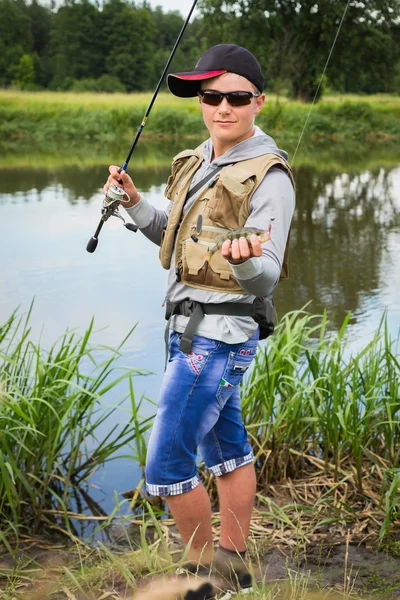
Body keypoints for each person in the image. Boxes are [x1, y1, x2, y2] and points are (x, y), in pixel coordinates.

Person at [104, 44, 295, 593]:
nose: (223, 108)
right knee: (227, 451)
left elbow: (267, 275)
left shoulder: (270, 176)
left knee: (165, 469)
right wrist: (136, 204)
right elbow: (174, 230)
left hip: (218, 339)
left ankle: (202, 581)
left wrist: (248, 261)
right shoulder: (201, 158)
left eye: (236, 97)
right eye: (212, 96)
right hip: (184, 328)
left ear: (258, 101)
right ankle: (236, 575)